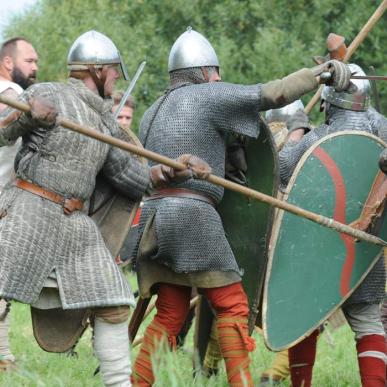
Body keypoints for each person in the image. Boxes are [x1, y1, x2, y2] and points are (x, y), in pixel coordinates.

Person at [130, 27, 351, 387]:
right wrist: (319, 74)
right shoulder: (207, 94)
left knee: (170, 312)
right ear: (205, 72)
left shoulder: (153, 110)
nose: (219, 79)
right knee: (233, 306)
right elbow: (272, 93)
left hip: (155, 219)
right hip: (192, 216)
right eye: (215, 72)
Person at [0, 30, 210, 386]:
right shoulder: (47, 93)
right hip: (30, 209)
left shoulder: (104, 122)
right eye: (113, 71)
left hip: (75, 226)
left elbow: (132, 178)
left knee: (113, 302)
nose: (116, 79)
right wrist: (28, 117)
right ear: (95, 70)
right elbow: (3, 133)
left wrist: (173, 169)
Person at [279, 63, 387, 387]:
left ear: (326, 102)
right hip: (363, 252)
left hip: (321, 251)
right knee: (369, 323)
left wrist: (297, 130)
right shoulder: (379, 134)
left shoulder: (319, 138)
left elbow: (282, 170)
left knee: (305, 320)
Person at [0, 36, 38, 371]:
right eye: (30, 61)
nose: (36, 68)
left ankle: (4, 355)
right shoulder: (12, 95)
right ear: (8, 62)